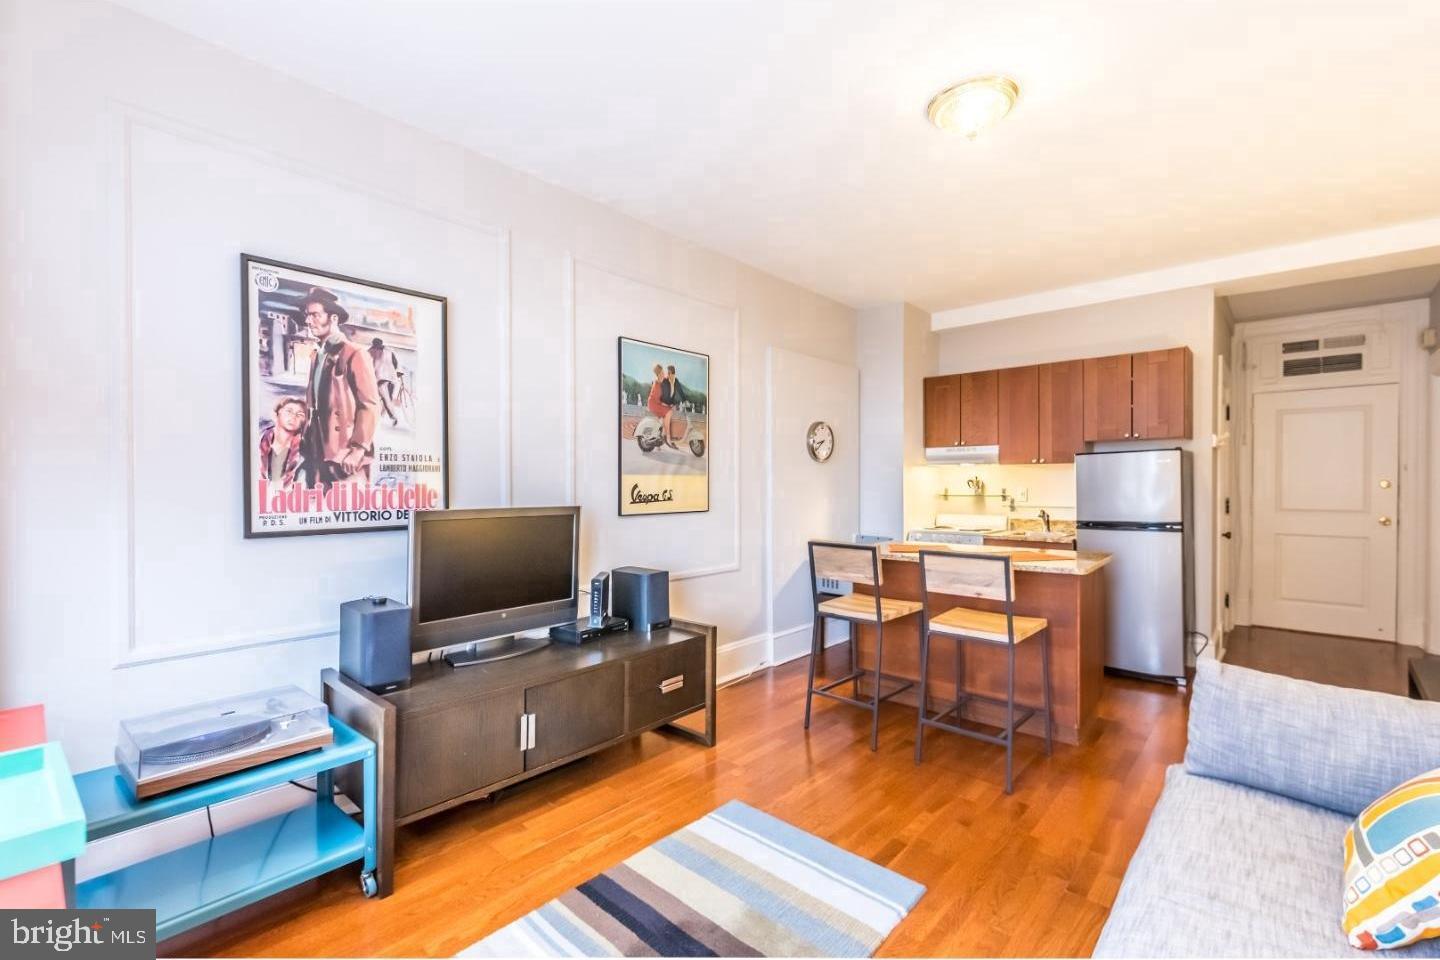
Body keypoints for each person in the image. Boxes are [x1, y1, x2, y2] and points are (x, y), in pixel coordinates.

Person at [298, 287, 380, 489]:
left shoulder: (354, 353)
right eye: (307, 316)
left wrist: (359, 449)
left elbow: (369, 404)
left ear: (333, 318)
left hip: (344, 454)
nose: (308, 321)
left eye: (315, 315)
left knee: (351, 507)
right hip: (317, 449)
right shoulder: (317, 354)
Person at [258, 396, 308, 488]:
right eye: (289, 411)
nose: (293, 417)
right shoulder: (258, 442)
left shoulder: (305, 452)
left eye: (300, 414)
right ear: (276, 414)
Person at [368, 337, 401, 426]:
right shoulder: (389, 352)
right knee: (388, 398)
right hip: (392, 378)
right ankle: (382, 416)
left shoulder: (371, 351)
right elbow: (395, 364)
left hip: (380, 378)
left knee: (385, 399)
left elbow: (367, 366)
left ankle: (393, 417)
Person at [645, 363, 675, 449]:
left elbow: (669, 380)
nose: (663, 374)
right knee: (669, 412)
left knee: (664, 417)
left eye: (663, 372)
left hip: (656, 403)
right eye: (661, 373)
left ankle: (659, 439)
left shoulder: (662, 380)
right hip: (653, 404)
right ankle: (667, 437)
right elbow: (659, 401)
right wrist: (667, 404)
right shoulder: (656, 385)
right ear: (657, 375)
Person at [660, 364, 688, 449]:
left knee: (671, 421)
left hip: (669, 404)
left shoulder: (676, 381)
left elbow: (680, 392)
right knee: (667, 421)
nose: (668, 375)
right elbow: (664, 395)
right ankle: (668, 440)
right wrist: (669, 404)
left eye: (670, 373)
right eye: (667, 373)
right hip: (663, 403)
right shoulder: (665, 381)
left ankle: (664, 439)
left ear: (673, 374)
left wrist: (685, 400)